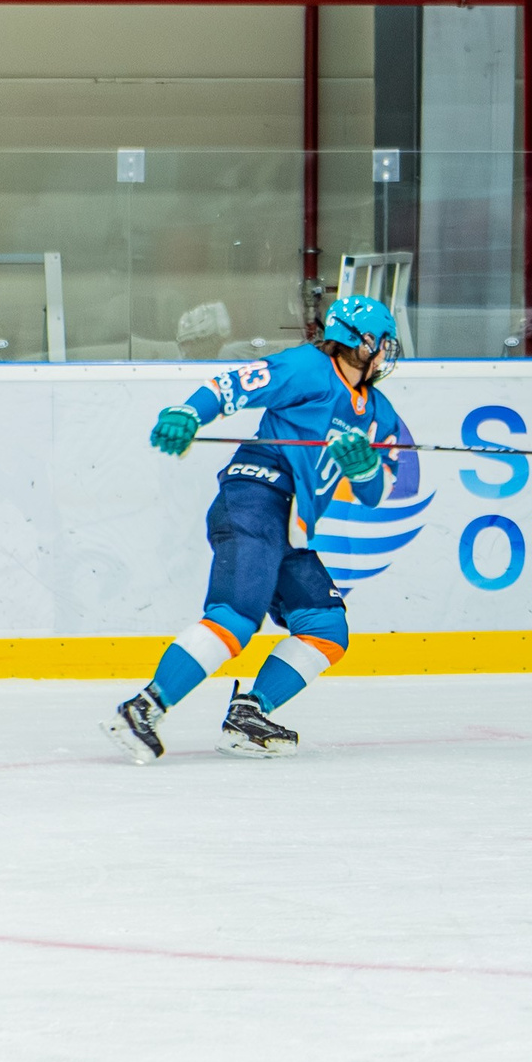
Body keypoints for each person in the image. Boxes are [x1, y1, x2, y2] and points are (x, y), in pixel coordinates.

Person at [106, 296, 408, 762]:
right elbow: (233, 385)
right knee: (235, 615)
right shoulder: (308, 368)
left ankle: (248, 715)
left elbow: (375, 490)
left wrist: (365, 467)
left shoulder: (380, 413)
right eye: (383, 343)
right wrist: (190, 412)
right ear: (360, 342)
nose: (387, 353)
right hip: (255, 498)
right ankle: (143, 709)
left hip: (290, 526)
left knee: (326, 626)